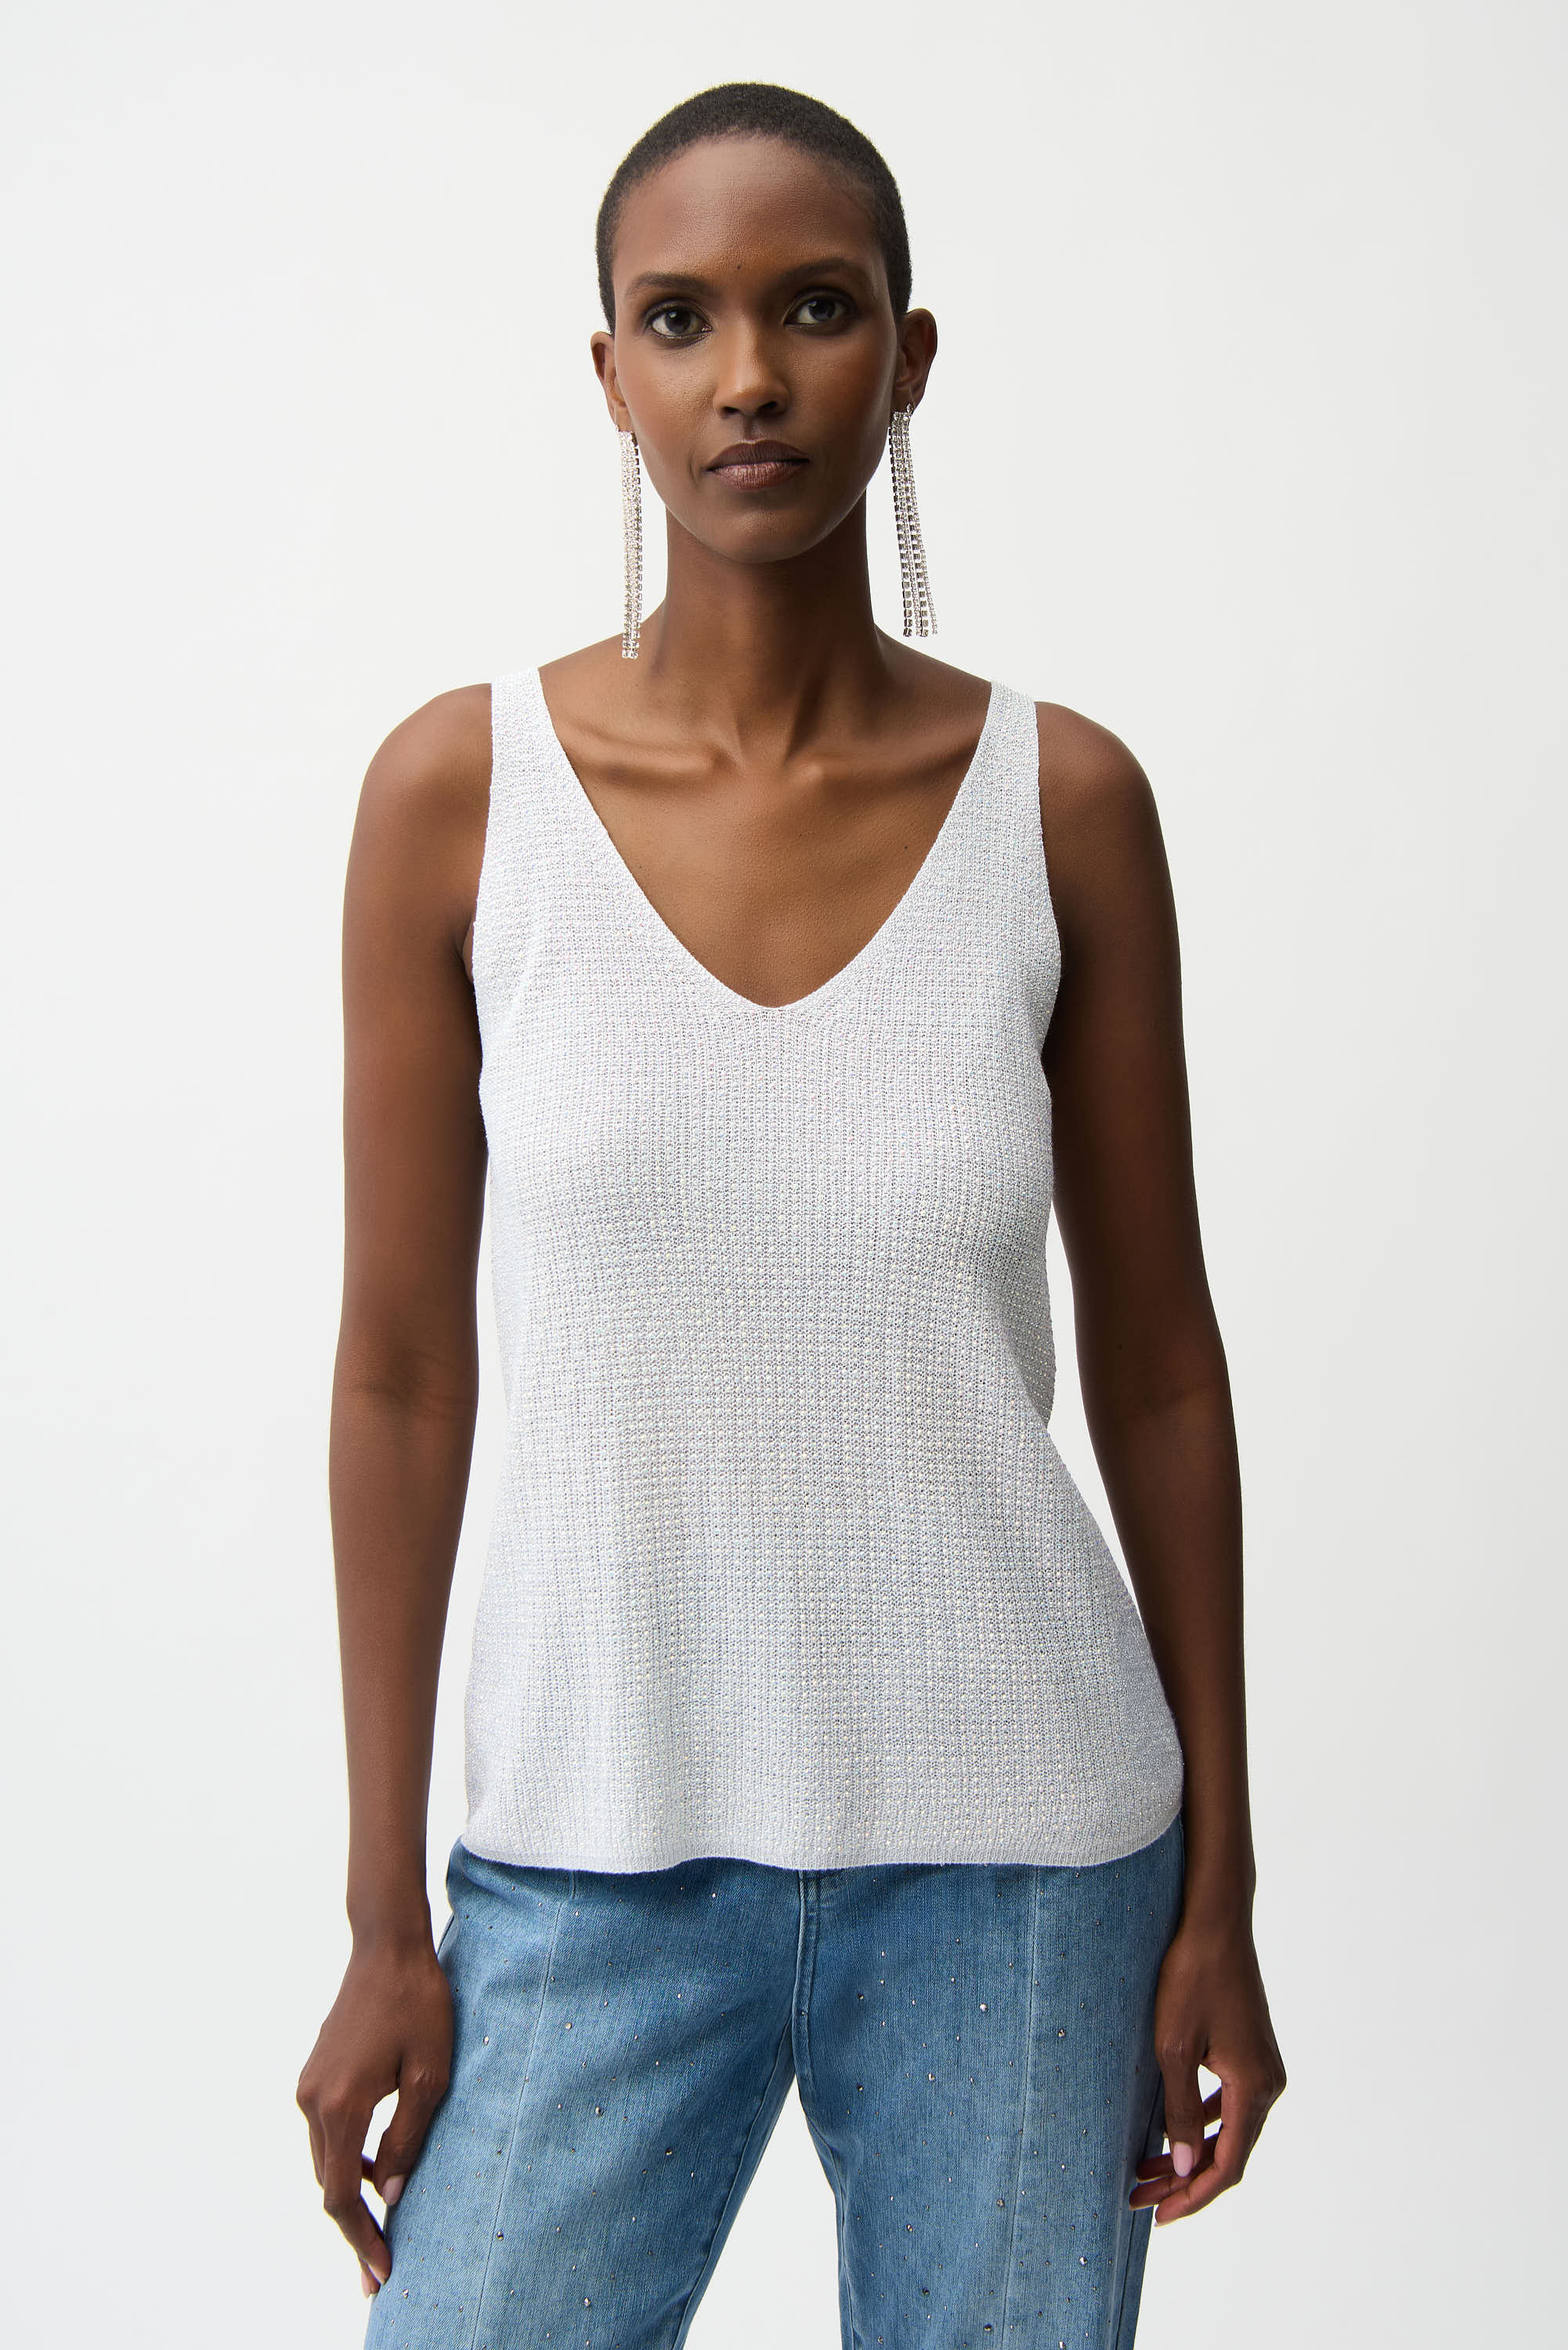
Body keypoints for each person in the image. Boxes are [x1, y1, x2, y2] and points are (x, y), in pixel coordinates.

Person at [295, 78, 1285, 2349]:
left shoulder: (1061, 805)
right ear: (610, 374)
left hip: (1028, 1870)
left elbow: (1160, 1369)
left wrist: (1222, 1890)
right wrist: (380, 1919)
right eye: (681, 318)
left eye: (815, 310)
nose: (748, 375)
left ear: (907, 355)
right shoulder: (462, 799)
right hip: (589, 1851)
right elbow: (401, 1376)